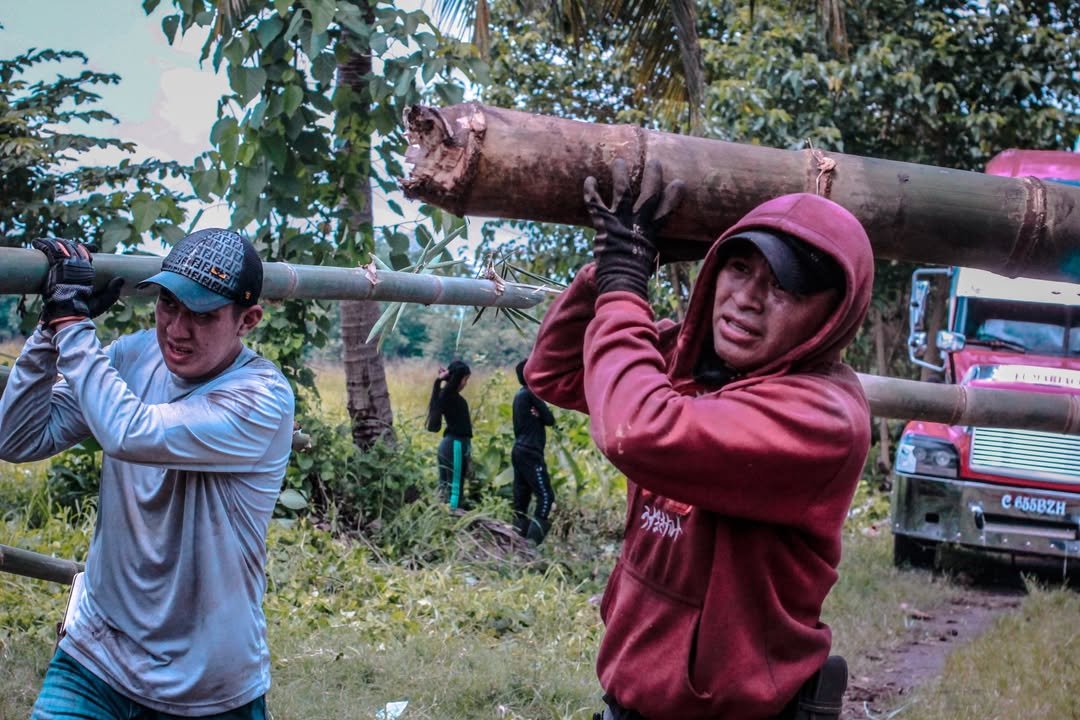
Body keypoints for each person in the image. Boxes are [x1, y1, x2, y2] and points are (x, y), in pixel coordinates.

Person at [525, 158, 874, 720]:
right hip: (633, 699)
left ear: (831, 316)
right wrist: (614, 265)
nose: (747, 298)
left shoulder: (822, 418)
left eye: (783, 286)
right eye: (738, 267)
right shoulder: (692, 367)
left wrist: (624, 287)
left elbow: (635, 431)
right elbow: (554, 372)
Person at [0, 228, 295, 719]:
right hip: (95, 656)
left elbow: (129, 433)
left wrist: (73, 323)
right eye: (168, 304)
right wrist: (50, 331)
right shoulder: (135, 355)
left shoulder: (261, 398)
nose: (177, 329)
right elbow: (17, 438)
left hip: (206, 685)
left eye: (203, 315)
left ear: (248, 320)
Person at [511, 358, 556, 544]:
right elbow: (550, 419)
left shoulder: (519, 395)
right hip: (531, 452)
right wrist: (541, 413)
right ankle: (531, 544)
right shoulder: (531, 393)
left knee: (521, 499)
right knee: (546, 497)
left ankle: (517, 540)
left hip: (519, 450)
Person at [426, 359, 472, 509]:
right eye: (465, 379)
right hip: (455, 446)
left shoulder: (444, 395)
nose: (466, 383)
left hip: (448, 446)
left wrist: (443, 379)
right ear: (458, 379)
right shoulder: (451, 397)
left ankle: (440, 515)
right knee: (455, 488)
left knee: (444, 486)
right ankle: (453, 516)